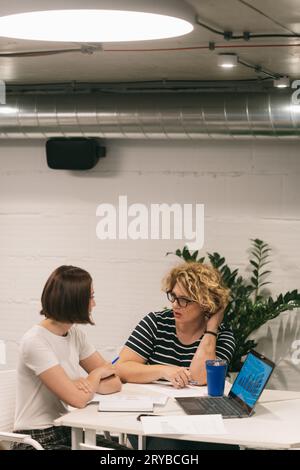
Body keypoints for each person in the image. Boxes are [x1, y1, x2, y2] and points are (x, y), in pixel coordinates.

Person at [116, 261, 237, 450]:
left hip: (196, 422)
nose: (174, 305)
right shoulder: (156, 323)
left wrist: (211, 330)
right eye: (173, 296)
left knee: (223, 448)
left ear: (206, 304)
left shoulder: (222, 337)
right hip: (151, 419)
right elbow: (121, 368)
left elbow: (200, 377)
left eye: (184, 300)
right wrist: (164, 370)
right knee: (165, 448)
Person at [12, 265, 126, 450]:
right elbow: (78, 399)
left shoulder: (75, 334)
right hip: (36, 439)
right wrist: (94, 376)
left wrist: (85, 386)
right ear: (74, 301)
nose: (94, 304)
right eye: (91, 297)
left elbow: (114, 382)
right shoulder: (35, 341)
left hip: (66, 429)